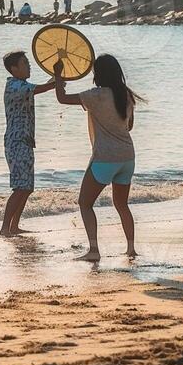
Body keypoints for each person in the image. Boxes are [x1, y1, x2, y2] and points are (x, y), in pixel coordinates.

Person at [53, 54, 140, 262]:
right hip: (127, 157)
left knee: (85, 203)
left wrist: (58, 75)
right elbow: (129, 126)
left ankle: (93, 250)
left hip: (105, 158)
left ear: (98, 74)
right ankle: (131, 249)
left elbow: (62, 98)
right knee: (122, 205)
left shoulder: (96, 96)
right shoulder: (126, 95)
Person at [0, 51, 55, 237]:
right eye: (25, 63)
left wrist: (57, 76)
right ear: (14, 68)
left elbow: (44, 86)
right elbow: (42, 89)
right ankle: (5, 227)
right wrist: (57, 80)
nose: (29, 66)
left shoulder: (23, 85)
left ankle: (14, 226)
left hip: (25, 142)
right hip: (16, 142)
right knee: (20, 187)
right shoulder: (14, 86)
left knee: (27, 187)